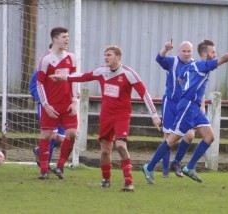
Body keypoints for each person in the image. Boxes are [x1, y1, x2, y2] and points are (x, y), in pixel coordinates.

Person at [142, 38, 228, 184]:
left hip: (194, 107)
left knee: (209, 137)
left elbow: (181, 79)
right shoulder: (203, 64)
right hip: (188, 107)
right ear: (205, 54)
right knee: (171, 140)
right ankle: (149, 167)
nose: (215, 54)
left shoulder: (192, 65)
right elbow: (225, 58)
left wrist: (190, 91)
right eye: (213, 52)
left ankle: (189, 167)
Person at [50, 45, 161, 191]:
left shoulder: (128, 73)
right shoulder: (102, 71)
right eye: (105, 55)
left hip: (122, 115)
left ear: (118, 57)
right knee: (104, 150)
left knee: (121, 146)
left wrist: (154, 115)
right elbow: (84, 76)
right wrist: (63, 78)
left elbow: (144, 93)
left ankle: (129, 182)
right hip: (106, 115)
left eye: (109, 55)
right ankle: (106, 180)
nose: (106, 57)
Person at [36, 27, 79, 180]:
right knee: (47, 136)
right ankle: (43, 170)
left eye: (68, 36)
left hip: (67, 104)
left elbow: (75, 79)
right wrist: (46, 105)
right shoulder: (46, 59)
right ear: (55, 39)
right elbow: (39, 84)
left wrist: (74, 101)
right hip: (52, 106)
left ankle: (60, 167)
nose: (67, 39)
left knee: (72, 133)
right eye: (64, 37)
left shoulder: (71, 57)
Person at [156, 39, 198, 178]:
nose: (186, 54)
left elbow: (199, 87)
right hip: (171, 103)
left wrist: (201, 106)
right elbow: (159, 58)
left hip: (186, 106)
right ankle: (165, 171)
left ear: (192, 52)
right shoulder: (172, 62)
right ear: (179, 51)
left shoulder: (195, 65)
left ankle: (177, 162)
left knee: (190, 135)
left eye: (189, 51)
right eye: (184, 51)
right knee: (168, 137)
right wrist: (165, 48)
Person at [29, 68, 65, 169]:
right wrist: (44, 100)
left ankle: (39, 151)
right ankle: (45, 167)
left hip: (62, 106)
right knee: (51, 135)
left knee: (60, 139)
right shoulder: (43, 68)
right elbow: (33, 87)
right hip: (46, 106)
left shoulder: (66, 67)